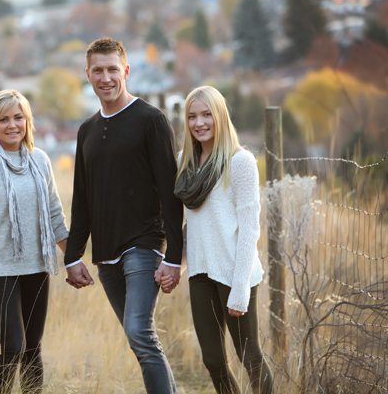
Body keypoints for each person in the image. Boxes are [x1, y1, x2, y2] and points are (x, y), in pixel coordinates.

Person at [64, 37, 183, 394]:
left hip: (144, 245)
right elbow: (82, 199)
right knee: (142, 342)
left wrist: (175, 258)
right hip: (106, 253)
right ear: (88, 75)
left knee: (139, 332)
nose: (106, 77)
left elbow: (171, 193)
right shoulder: (85, 130)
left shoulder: (151, 120)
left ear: (126, 71)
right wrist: (73, 256)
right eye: (98, 70)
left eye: (113, 69)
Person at [161, 86, 274, 393]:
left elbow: (250, 229)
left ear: (220, 116)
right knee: (213, 361)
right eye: (192, 116)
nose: (199, 123)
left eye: (207, 114)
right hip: (201, 274)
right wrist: (176, 264)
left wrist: (239, 290)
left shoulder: (240, 162)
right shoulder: (184, 161)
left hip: (235, 274)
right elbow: (193, 227)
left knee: (249, 357)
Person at [0, 89, 69, 394]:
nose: (12, 125)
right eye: (3, 119)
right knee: (13, 346)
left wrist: (72, 260)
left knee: (33, 347)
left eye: (18, 117)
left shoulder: (41, 160)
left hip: (37, 266)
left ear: (28, 121)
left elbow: (55, 216)